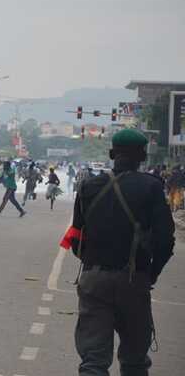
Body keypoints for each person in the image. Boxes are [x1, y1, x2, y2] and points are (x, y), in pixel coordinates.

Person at [60, 129, 174, 376]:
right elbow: (165, 241)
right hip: (133, 281)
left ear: (112, 153)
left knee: (93, 363)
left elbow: (76, 239)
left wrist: (93, 264)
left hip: (93, 279)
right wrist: (150, 274)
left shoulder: (88, 186)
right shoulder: (152, 187)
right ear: (143, 156)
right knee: (134, 362)